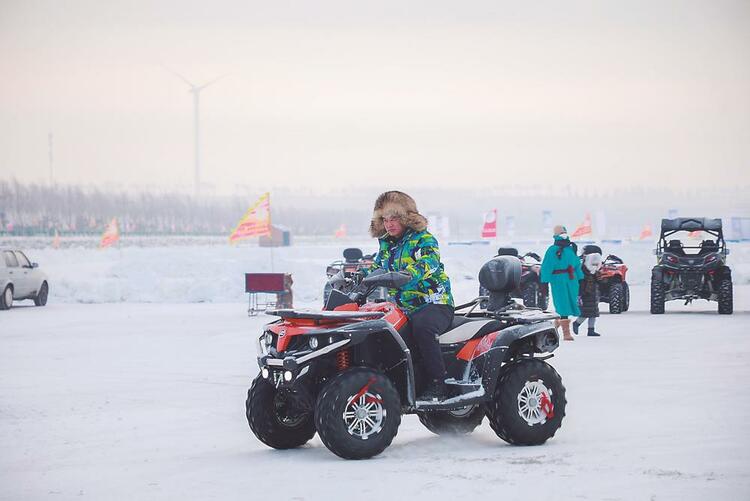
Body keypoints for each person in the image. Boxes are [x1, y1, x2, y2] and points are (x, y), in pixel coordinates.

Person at [366, 191, 454, 401]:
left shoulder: (424, 239)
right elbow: (377, 268)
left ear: (406, 217)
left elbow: (429, 262)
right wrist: (358, 278)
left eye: (394, 218)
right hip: (402, 306)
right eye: (385, 220)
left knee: (423, 328)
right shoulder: (388, 244)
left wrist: (407, 274)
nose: (389, 224)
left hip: (433, 302)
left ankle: (439, 383)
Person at [540, 225, 583, 341]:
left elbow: (576, 265)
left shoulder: (570, 248)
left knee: (570, 303)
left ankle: (555, 325)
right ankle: (566, 333)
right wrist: (544, 282)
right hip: (560, 280)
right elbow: (547, 267)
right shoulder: (554, 250)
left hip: (570, 279)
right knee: (563, 305)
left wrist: (581, 279)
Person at [573, 252, 603, 336]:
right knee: (585, 313)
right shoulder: (582, 271)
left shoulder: (594, 272)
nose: (595, 265)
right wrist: (579, 296)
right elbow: (580, 284)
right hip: (585, 295)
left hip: (593, 295)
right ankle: (576, 323)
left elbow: (599, 281)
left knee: (593, 314)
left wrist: (598, 276)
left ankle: (591, 330)